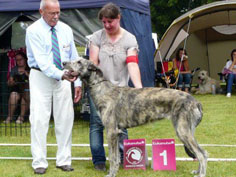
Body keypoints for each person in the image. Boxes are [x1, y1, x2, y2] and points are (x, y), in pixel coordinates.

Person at [25, 0, 82, 174]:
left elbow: (73, 56)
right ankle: (39, 162)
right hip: (40, 76)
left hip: (64, 78)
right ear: (41, 11)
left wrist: (77, 81)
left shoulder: (66, 29)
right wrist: (62, 75)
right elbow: (42, 62)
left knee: (65, 118)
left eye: (58, 12)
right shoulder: (32, 31)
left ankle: (64, 160)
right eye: (52, 13)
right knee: (39, 119)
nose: (56, 16)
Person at [88, 3, 143, 171]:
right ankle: (98, 160)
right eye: (103, 22)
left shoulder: (130, 39)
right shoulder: (96, 37)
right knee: (97, 123)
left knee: (121, 124)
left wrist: (139, 89)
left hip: (120, 90)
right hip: (99, 90)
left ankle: (122, 157)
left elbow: (132, 64)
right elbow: (93, 63)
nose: (106, 25)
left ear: (118, 18)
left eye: (110, 21)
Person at [3, 51, 30, 124]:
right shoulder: (14, 69)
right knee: (13, 95)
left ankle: (21, 117)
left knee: (25, 96)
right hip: (17, 89)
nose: (19, 61)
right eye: (17, 60)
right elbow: (9, 83)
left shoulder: (30, 68)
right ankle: (10, 117)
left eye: (21, 59)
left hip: (27, 90)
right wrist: (11, 82)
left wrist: (28, 76)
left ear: (25, 59)